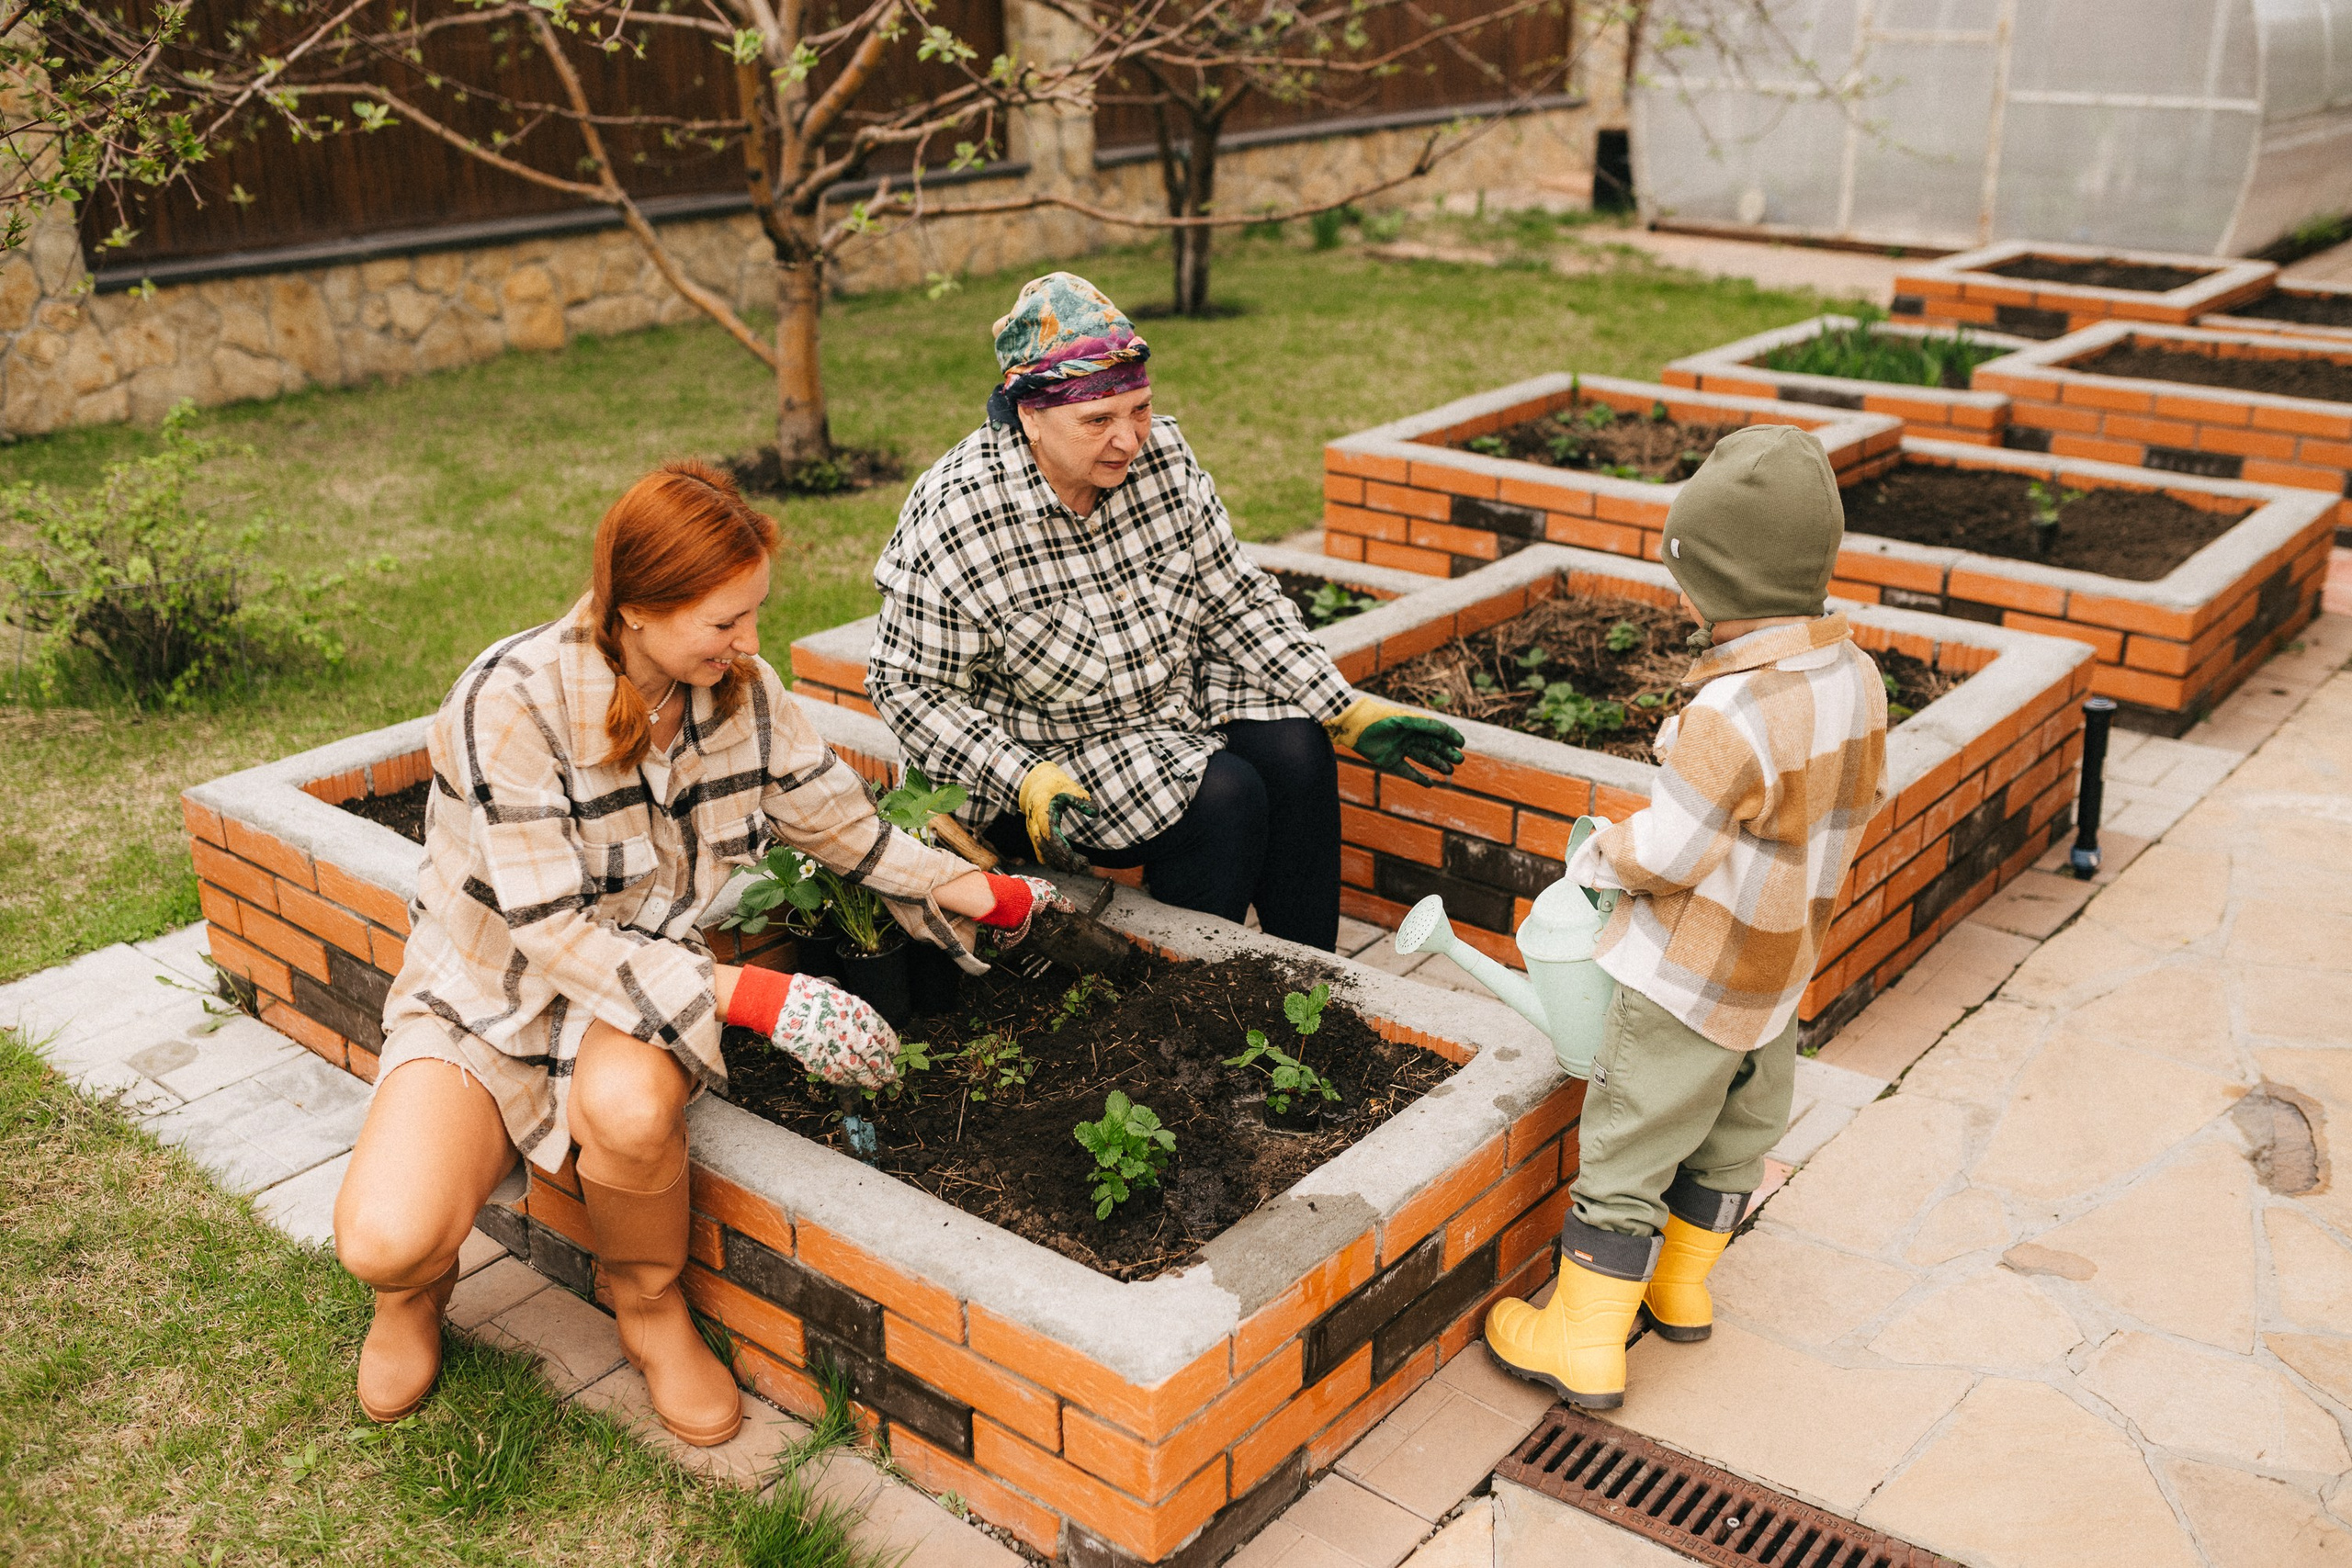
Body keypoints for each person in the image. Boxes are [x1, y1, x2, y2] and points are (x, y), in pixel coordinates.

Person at [332, 462, 1055, 1444]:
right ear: (634, 610)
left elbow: (837, 822)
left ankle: (647, 1306)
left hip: (637, 978)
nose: (750, 643)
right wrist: (761, 998)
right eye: (725, 622)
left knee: (632, 1109)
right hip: (491, 991)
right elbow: (549, 935)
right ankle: (413, 1293)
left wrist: (981, 891)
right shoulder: (511, 703)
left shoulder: (735, 694)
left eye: (754, 613)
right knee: (384, 1240)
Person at [867, 272, 1464, 950]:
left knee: (1300, 749)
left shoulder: (1164, 456)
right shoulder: (959, 512)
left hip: (1166, 696)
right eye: (1099, 420)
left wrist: (1342, 705)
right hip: (1048, 748)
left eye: (1140, 409)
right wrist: (1020, 774)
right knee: (1227, 797)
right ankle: (1194, 992)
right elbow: (906, 686)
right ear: (1028, 415)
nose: (1130, 440)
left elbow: (1232, 595)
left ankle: (1316, 987)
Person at [1483, 425, 1890, 1408]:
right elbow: (1859, 801)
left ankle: (1582, 1340)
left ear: (1710, 577)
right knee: (1737, 1130)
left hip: (1686, 980)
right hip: (1779, 971)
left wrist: (1599, 852)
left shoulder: (1733, 711)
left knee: (1631, 1140)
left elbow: (1668, 853)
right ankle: (1682, 1285)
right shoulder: (1857, 681)